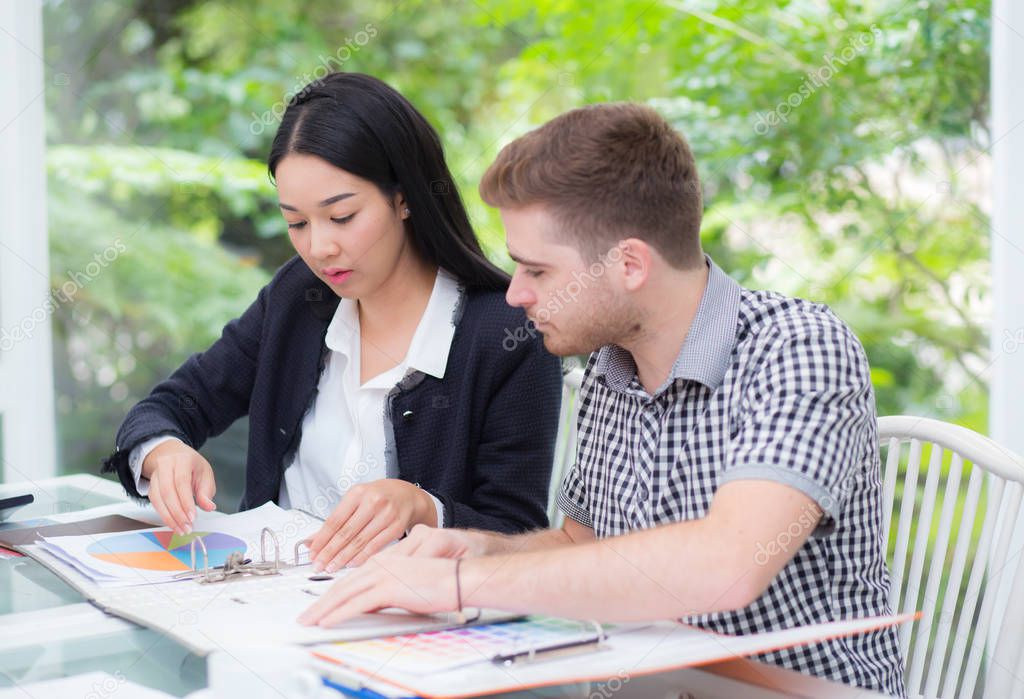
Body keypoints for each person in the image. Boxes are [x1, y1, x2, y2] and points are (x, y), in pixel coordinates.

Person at [298, 102, 907, 697]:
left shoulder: (799, 348)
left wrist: (462, 582)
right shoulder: (610, 364)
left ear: (630, 264)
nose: (515, 295)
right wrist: (479, 545)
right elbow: (580, 545)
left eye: (537, 270)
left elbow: (728, 567)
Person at [101, 72, 562, 573]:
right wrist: (164, 453)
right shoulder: (298, 298)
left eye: (341, 217)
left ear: (404, 196)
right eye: (296, 223)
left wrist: (424, 508)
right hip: (260, 605)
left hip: (408, 627)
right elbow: (171, 405)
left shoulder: (508, 334)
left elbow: (519, 536)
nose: (319, 248)